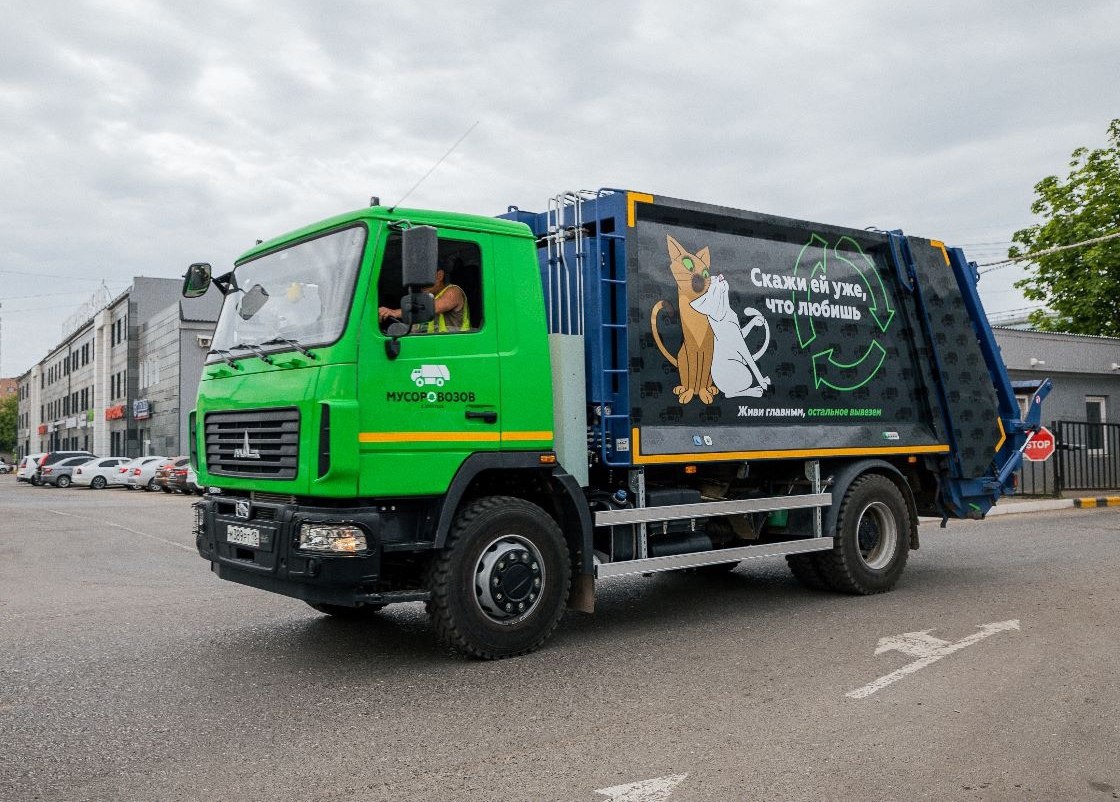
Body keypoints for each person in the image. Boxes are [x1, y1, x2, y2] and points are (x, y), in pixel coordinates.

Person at [378, 262, 471, 333]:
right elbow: (416, 329)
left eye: (424, 277)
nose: (420, 283)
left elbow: (433, 308)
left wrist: (394, 312)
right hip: (434, 349)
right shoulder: (424, 300)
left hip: (457, 348)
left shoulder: (453, 291)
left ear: (439, 275)